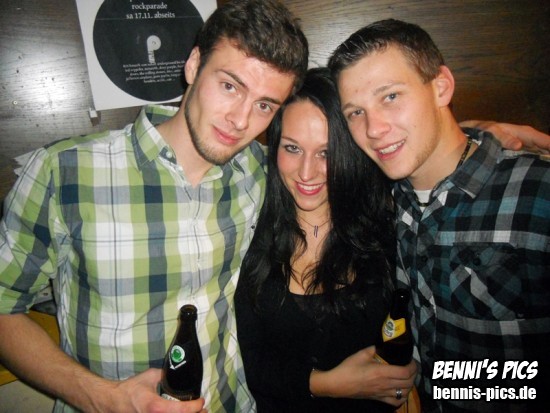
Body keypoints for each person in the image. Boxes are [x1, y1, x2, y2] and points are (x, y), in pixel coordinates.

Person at [0, 1, 308, 412]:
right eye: (230, 86)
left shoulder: (259, 171)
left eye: (264, 105)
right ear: (194, 65)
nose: (241, 120)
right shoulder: (65, 171)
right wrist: (102, 397)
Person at [328, 18, 550, 413]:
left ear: (441, 87)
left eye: (391, 96)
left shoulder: (536, 194)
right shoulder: (387, 198)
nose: (374, 128)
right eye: (355, 112)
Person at [235, 67, 416, 413]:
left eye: (325, 153)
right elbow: (251, 361)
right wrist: (327, 384)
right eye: (292, 148)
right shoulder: (250, 229)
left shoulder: (386, 227)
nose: (306, 172)